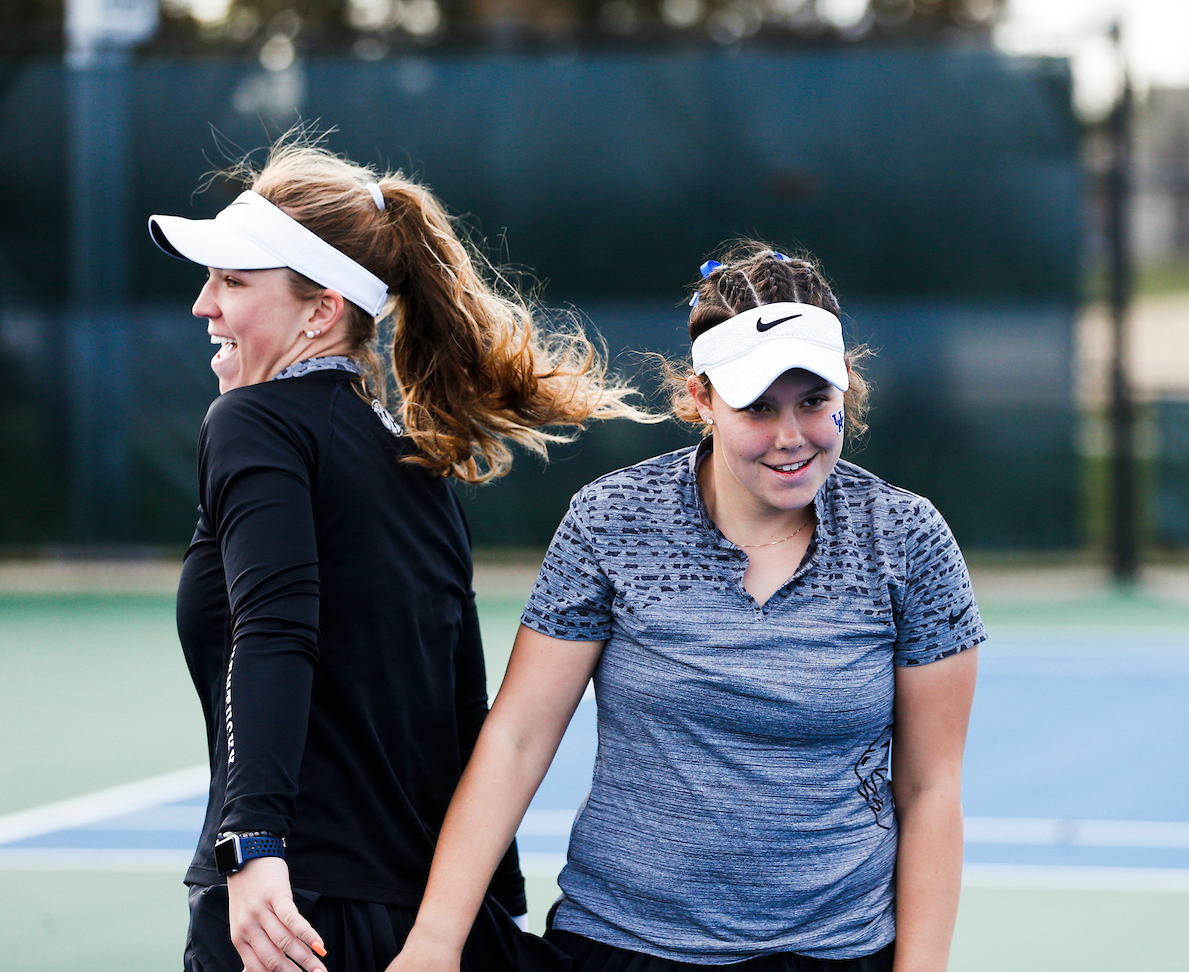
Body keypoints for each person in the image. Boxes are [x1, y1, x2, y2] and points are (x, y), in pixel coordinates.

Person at [388, 245, 984, 972]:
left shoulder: (908, 539)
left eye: (813, 402)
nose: (791, 436)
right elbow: (516, 740)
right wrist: (435, 941)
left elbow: (929, 788)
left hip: (834, 953)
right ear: (701, 399)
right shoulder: (610, 520)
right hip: (621, 946)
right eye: (758, 408)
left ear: (845, 387)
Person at [149, 135, 643, 972]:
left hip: (290, 922)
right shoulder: (422, 464)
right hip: (424, 925)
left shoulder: (251, 422)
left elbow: (271, 631)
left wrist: (254, 842)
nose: (205, 304)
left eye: (233, 281)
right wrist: (487, 911)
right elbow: (462, 701)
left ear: (321, 311)